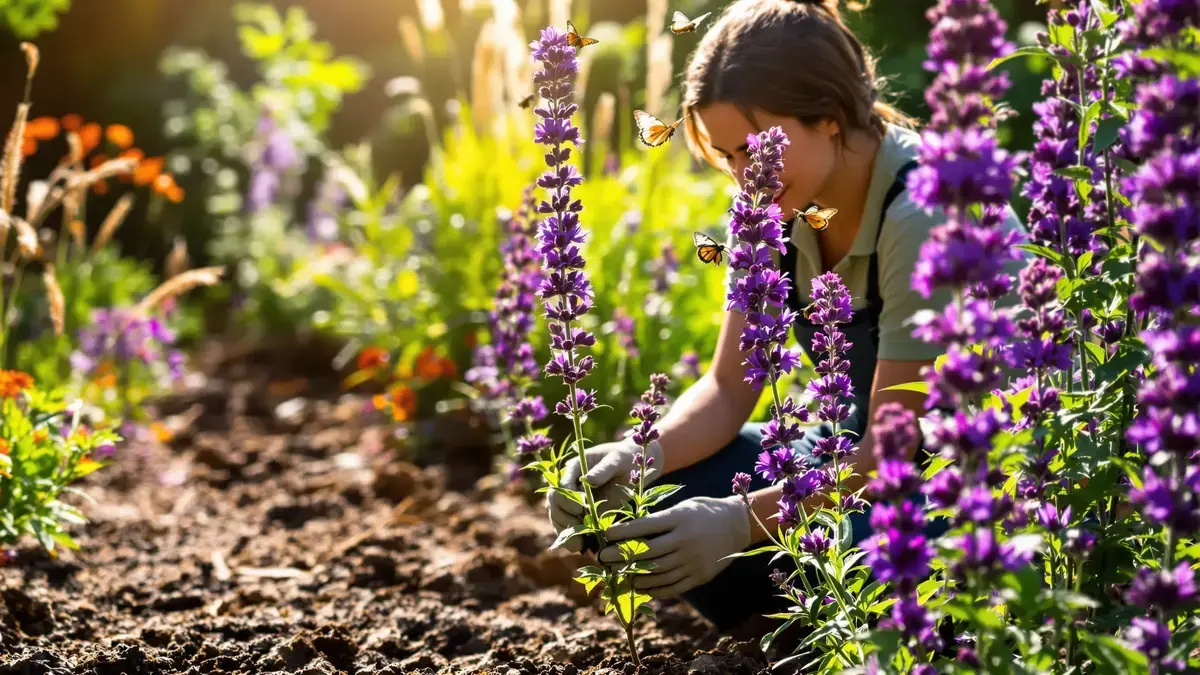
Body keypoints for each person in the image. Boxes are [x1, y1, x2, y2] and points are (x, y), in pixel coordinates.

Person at [547, 0, 1026, 637]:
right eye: (726, 156)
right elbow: (725, 390)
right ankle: (802, 631)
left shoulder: (919, 209)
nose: (746, 178)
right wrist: (637, 459)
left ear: (828, 117)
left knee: (844, 555)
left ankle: (855, 632)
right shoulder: (769, 208)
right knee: (662, 496)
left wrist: (740, 522)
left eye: (755, 150)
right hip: (850, 459)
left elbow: (894, 448)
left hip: (971, 481)